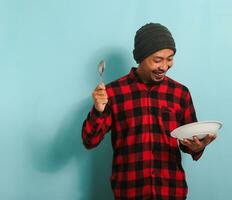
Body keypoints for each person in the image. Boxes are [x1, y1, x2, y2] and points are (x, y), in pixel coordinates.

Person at [82, 22, 217, 200]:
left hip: (171, 191)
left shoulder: (180, 93)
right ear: (140, 58)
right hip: (129, 191)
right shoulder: (113, 93)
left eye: (170, 58)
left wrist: (197, 147)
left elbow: (190, 143)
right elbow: (90, 141)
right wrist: (98, 111)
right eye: (157, 59)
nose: (165, 66)